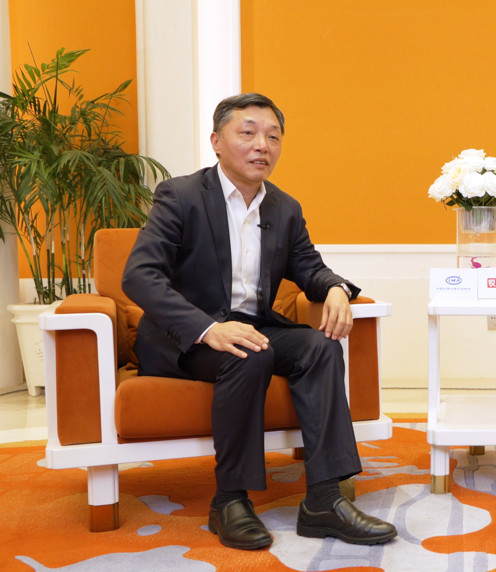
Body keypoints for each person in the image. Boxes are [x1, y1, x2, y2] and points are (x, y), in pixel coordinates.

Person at [122, 93, 397, 550]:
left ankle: (324, 500)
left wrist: (334, 288)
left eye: (272, 137)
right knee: (248, 354)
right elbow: (140, 275)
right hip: (185, 336)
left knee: (320, 347)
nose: (261, 146)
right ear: (216, 141)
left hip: (253, 326)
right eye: (247, 133)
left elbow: (309, 267)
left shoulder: (284, 208)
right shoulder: (181, 196)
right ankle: (230, 500)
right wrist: (209, 329)